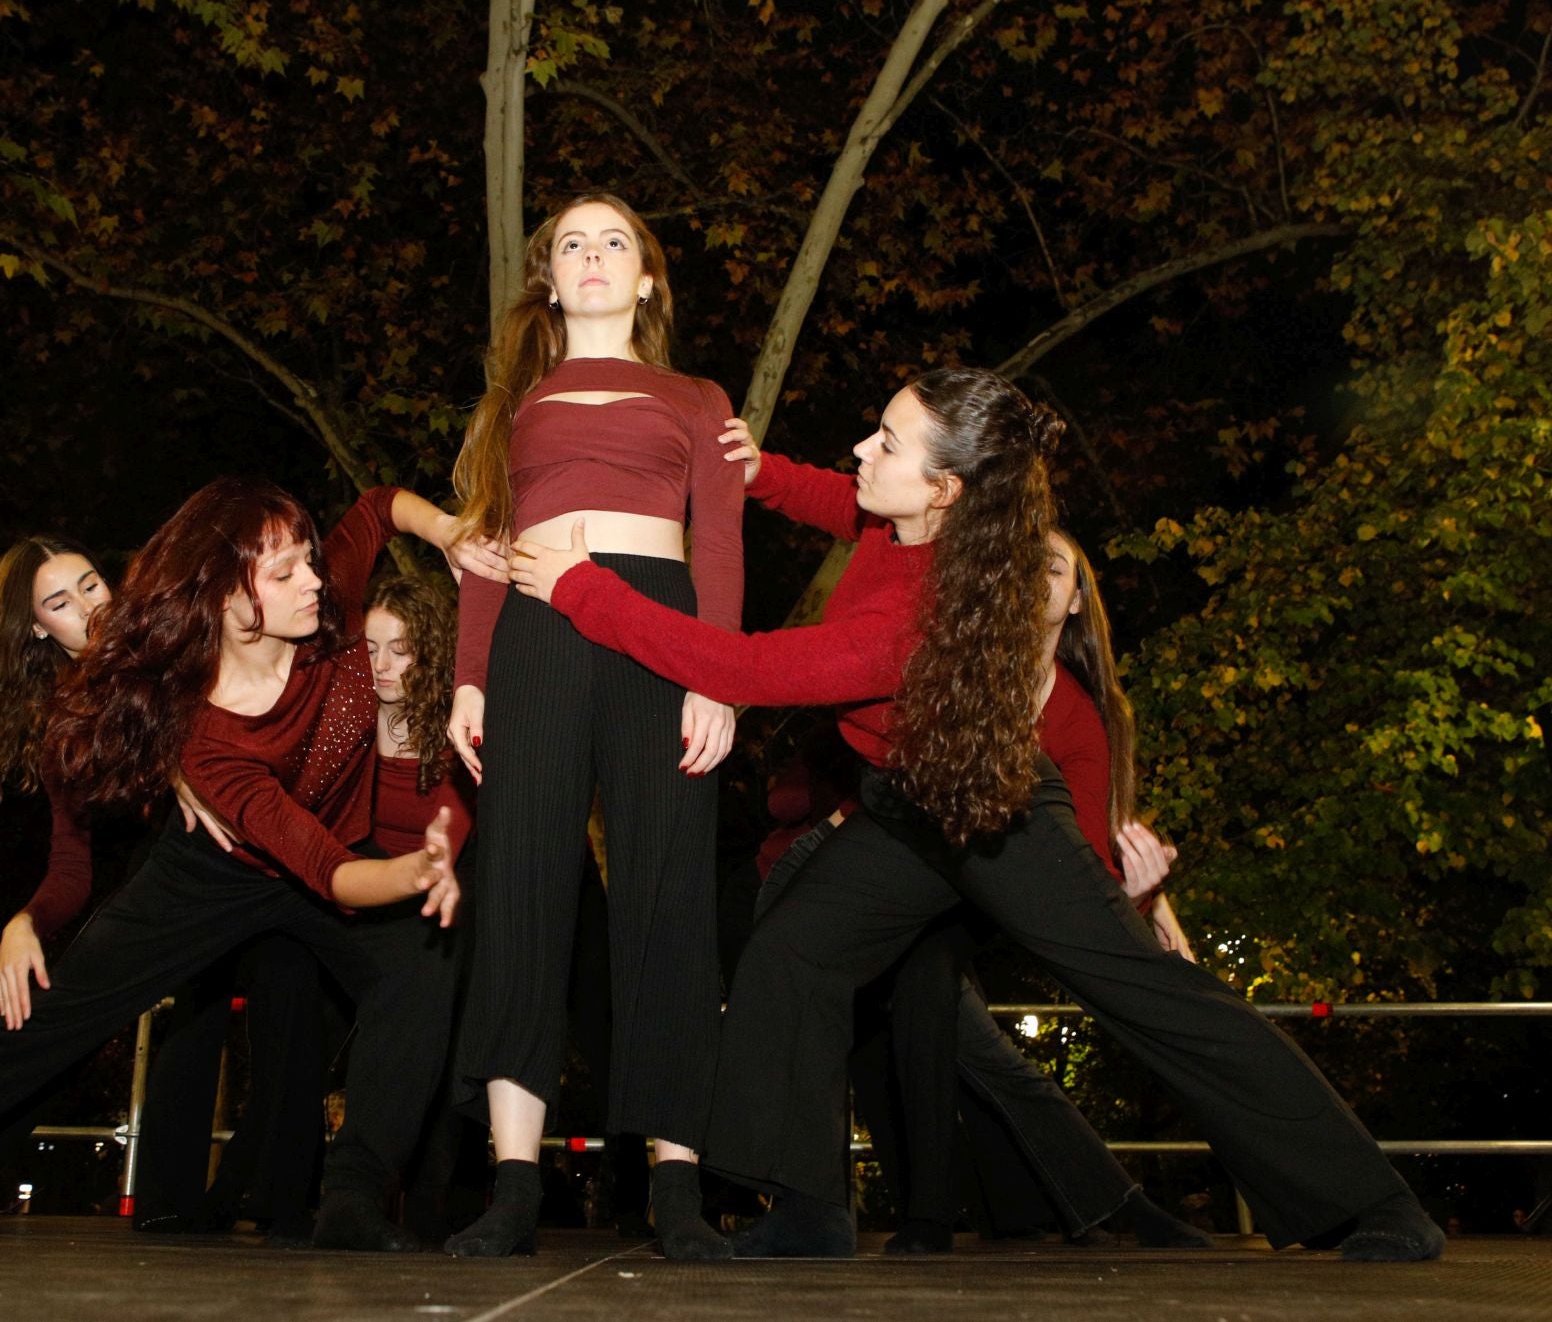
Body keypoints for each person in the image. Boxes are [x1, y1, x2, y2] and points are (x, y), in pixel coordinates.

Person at [507, 367, 1444, 1263]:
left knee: (1152, 994)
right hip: (902, 810)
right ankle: (806, 1211)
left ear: (946, 489)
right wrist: (765, 475)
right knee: (793, 954)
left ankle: (1374, 1201)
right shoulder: (905, 525)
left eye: (886, 442)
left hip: (995, 812)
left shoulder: (922, 615)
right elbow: (846, 504)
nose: (860, 449)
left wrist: (580, 587)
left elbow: (744, 671)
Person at [0, 481, 492, 1252]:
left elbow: (375, 506)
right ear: (228, 595)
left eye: (307, 562)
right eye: (284, 572)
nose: (311, 580)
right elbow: (326, 870)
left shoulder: (319, 600)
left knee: (421, 963)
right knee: (52, 1015)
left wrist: (449, 532)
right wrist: (408, 873)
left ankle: (352, 1197)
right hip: (213, 871)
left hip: (323, 858)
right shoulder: (207, 734)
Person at [443, 192, 744, 1259]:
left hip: (660, 630)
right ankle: (515, 1182)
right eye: (572, 242)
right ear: (550, 277)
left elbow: (718, 549)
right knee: (522, 886)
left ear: (647, 277)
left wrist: (720, 676)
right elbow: (485, 541)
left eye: (615, 240)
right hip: (536, 631)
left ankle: (674, 1186)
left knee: (666, 888)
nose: (594, 254)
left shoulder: (699, 395)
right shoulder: (515, 399)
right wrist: (471, 678)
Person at [864, 525, 1206, 1253]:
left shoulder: (1081, 715)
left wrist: (1146, 898)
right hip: (924, 872)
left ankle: (1094, 1204)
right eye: (1019, 566)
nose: (1031, 579)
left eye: (1052, 569)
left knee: (953, 1018)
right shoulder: (955, 661)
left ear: (1077, 600)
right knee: (940, 1005)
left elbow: (1085, 849)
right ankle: (948, 1212)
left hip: (1013, 887)